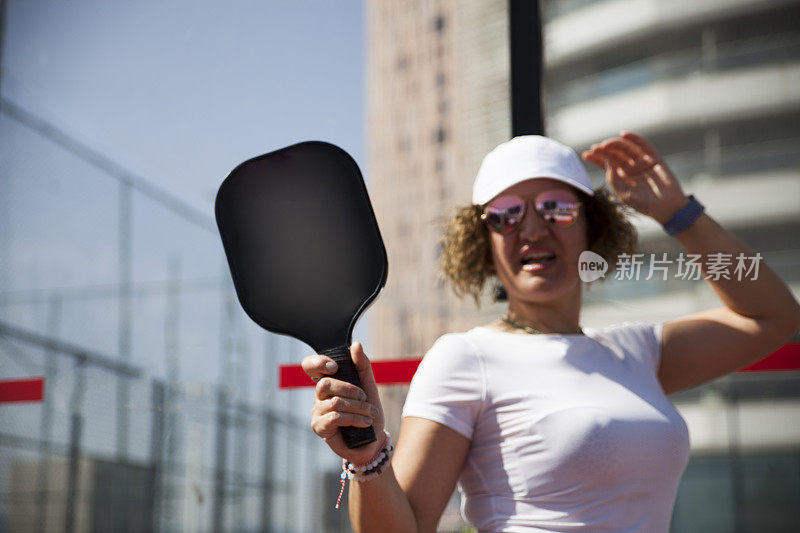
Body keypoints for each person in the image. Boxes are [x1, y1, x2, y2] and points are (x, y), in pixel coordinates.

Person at [302, 132, 800, 532]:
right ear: (484, 243)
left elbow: (775, 316)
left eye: (557, 208)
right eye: (505, 216)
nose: (534, 229)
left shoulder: (637, 352)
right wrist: (368, 458)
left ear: (592, 226)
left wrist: (679, 213)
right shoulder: (465, 358)